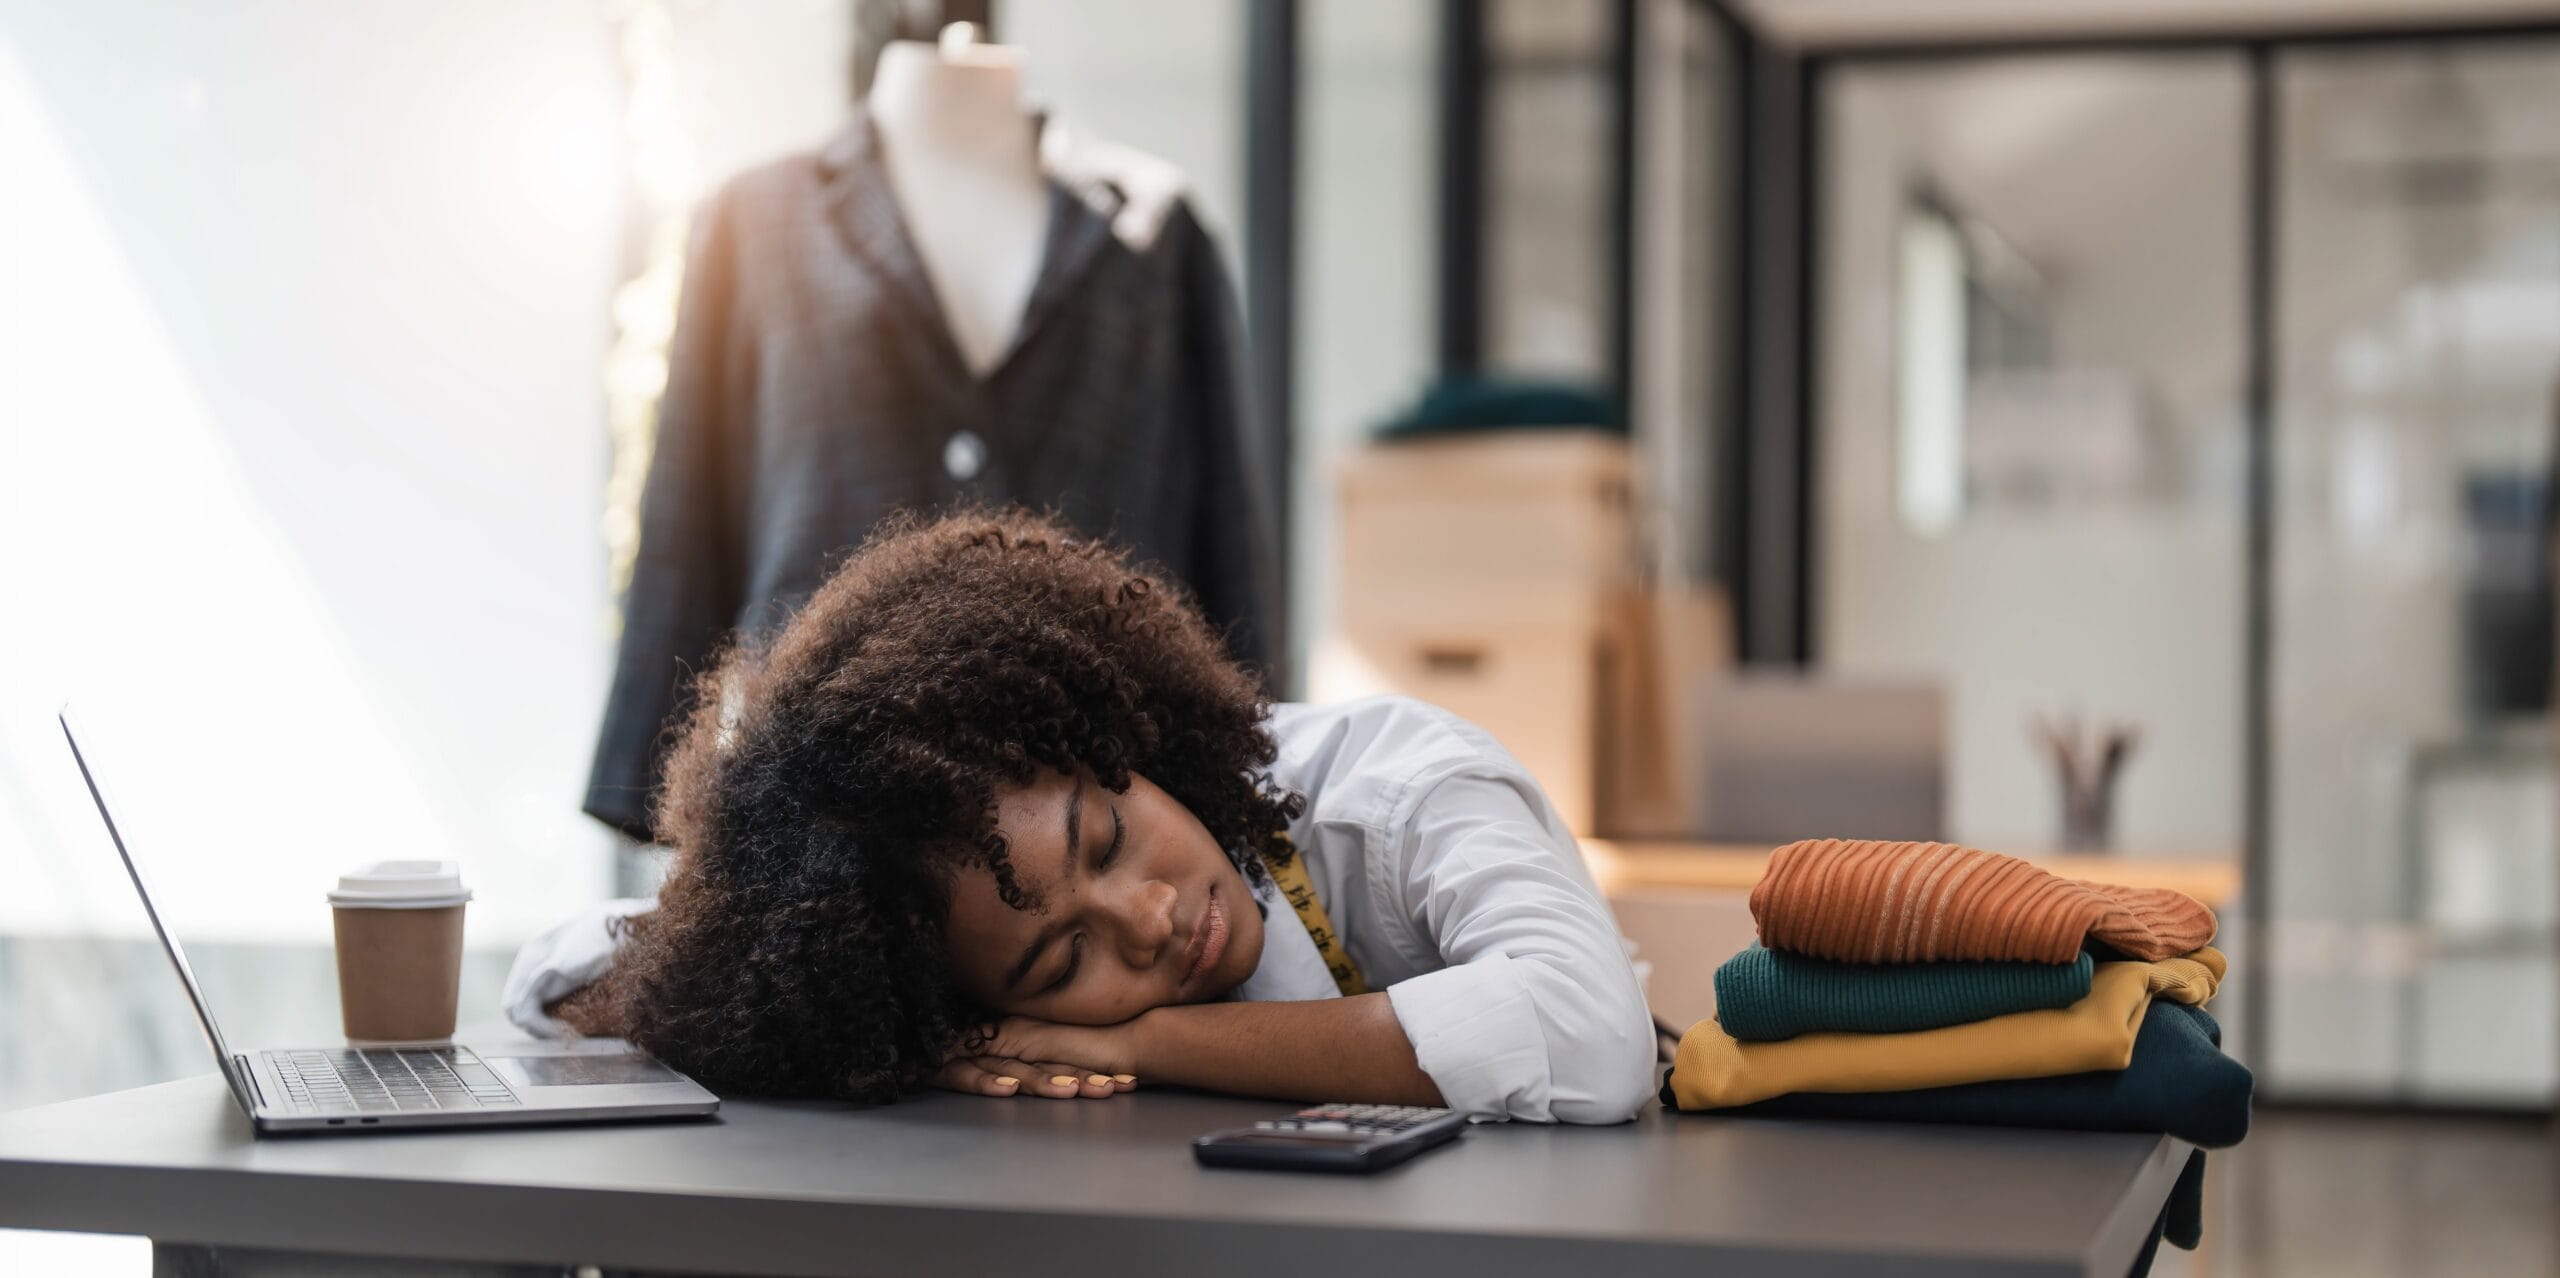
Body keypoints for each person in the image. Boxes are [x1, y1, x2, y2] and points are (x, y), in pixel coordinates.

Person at [505, 508, 1656, 1124]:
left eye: (1104, 838)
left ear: (1126, 744)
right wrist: (922, 1040)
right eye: (1062, 960)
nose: (1149, 918)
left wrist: (1136, 1037)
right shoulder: (940, 961)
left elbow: (1588, 1043)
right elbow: (562, 979)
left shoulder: (1396, 786)